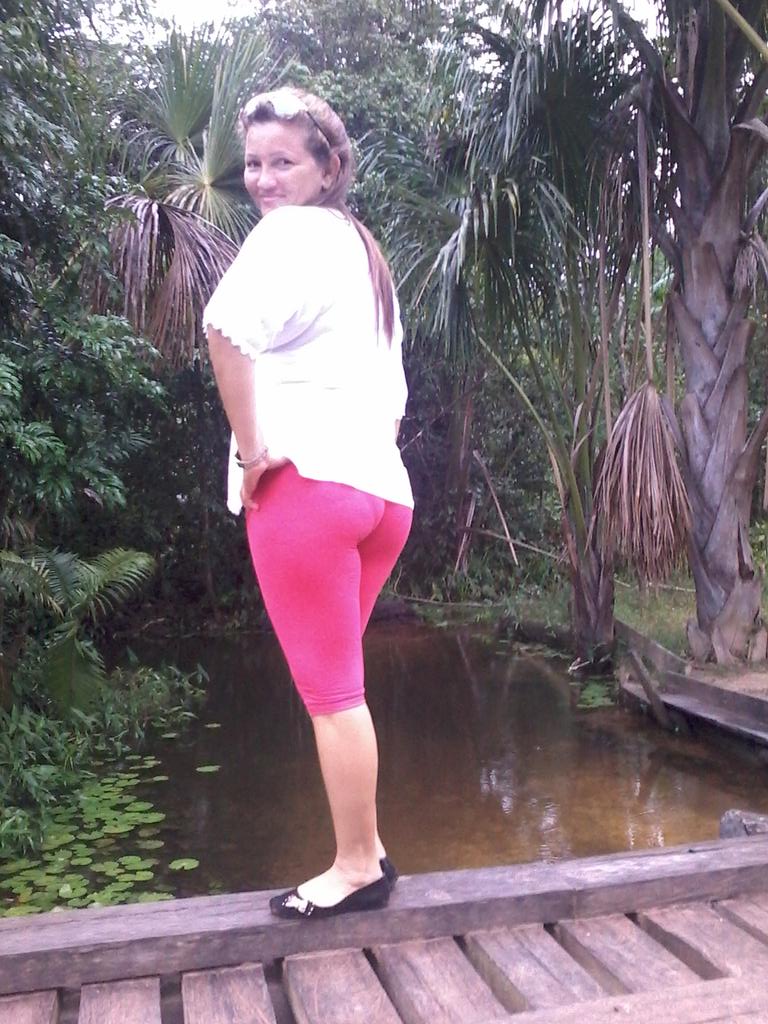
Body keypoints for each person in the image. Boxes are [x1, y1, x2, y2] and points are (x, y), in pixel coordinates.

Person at [203, 87, 414, 920]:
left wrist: (255, 453)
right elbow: (392, 397)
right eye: (253, 163)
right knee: (339, 686)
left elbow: (225, 329)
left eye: (282, 161)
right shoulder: (363, 251)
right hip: (381, 496)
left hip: (308, 494)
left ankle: (358, 866)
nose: (262, 179)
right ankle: (370, 851)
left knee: (331, 695)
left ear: (328, 168)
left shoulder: (288, 234)